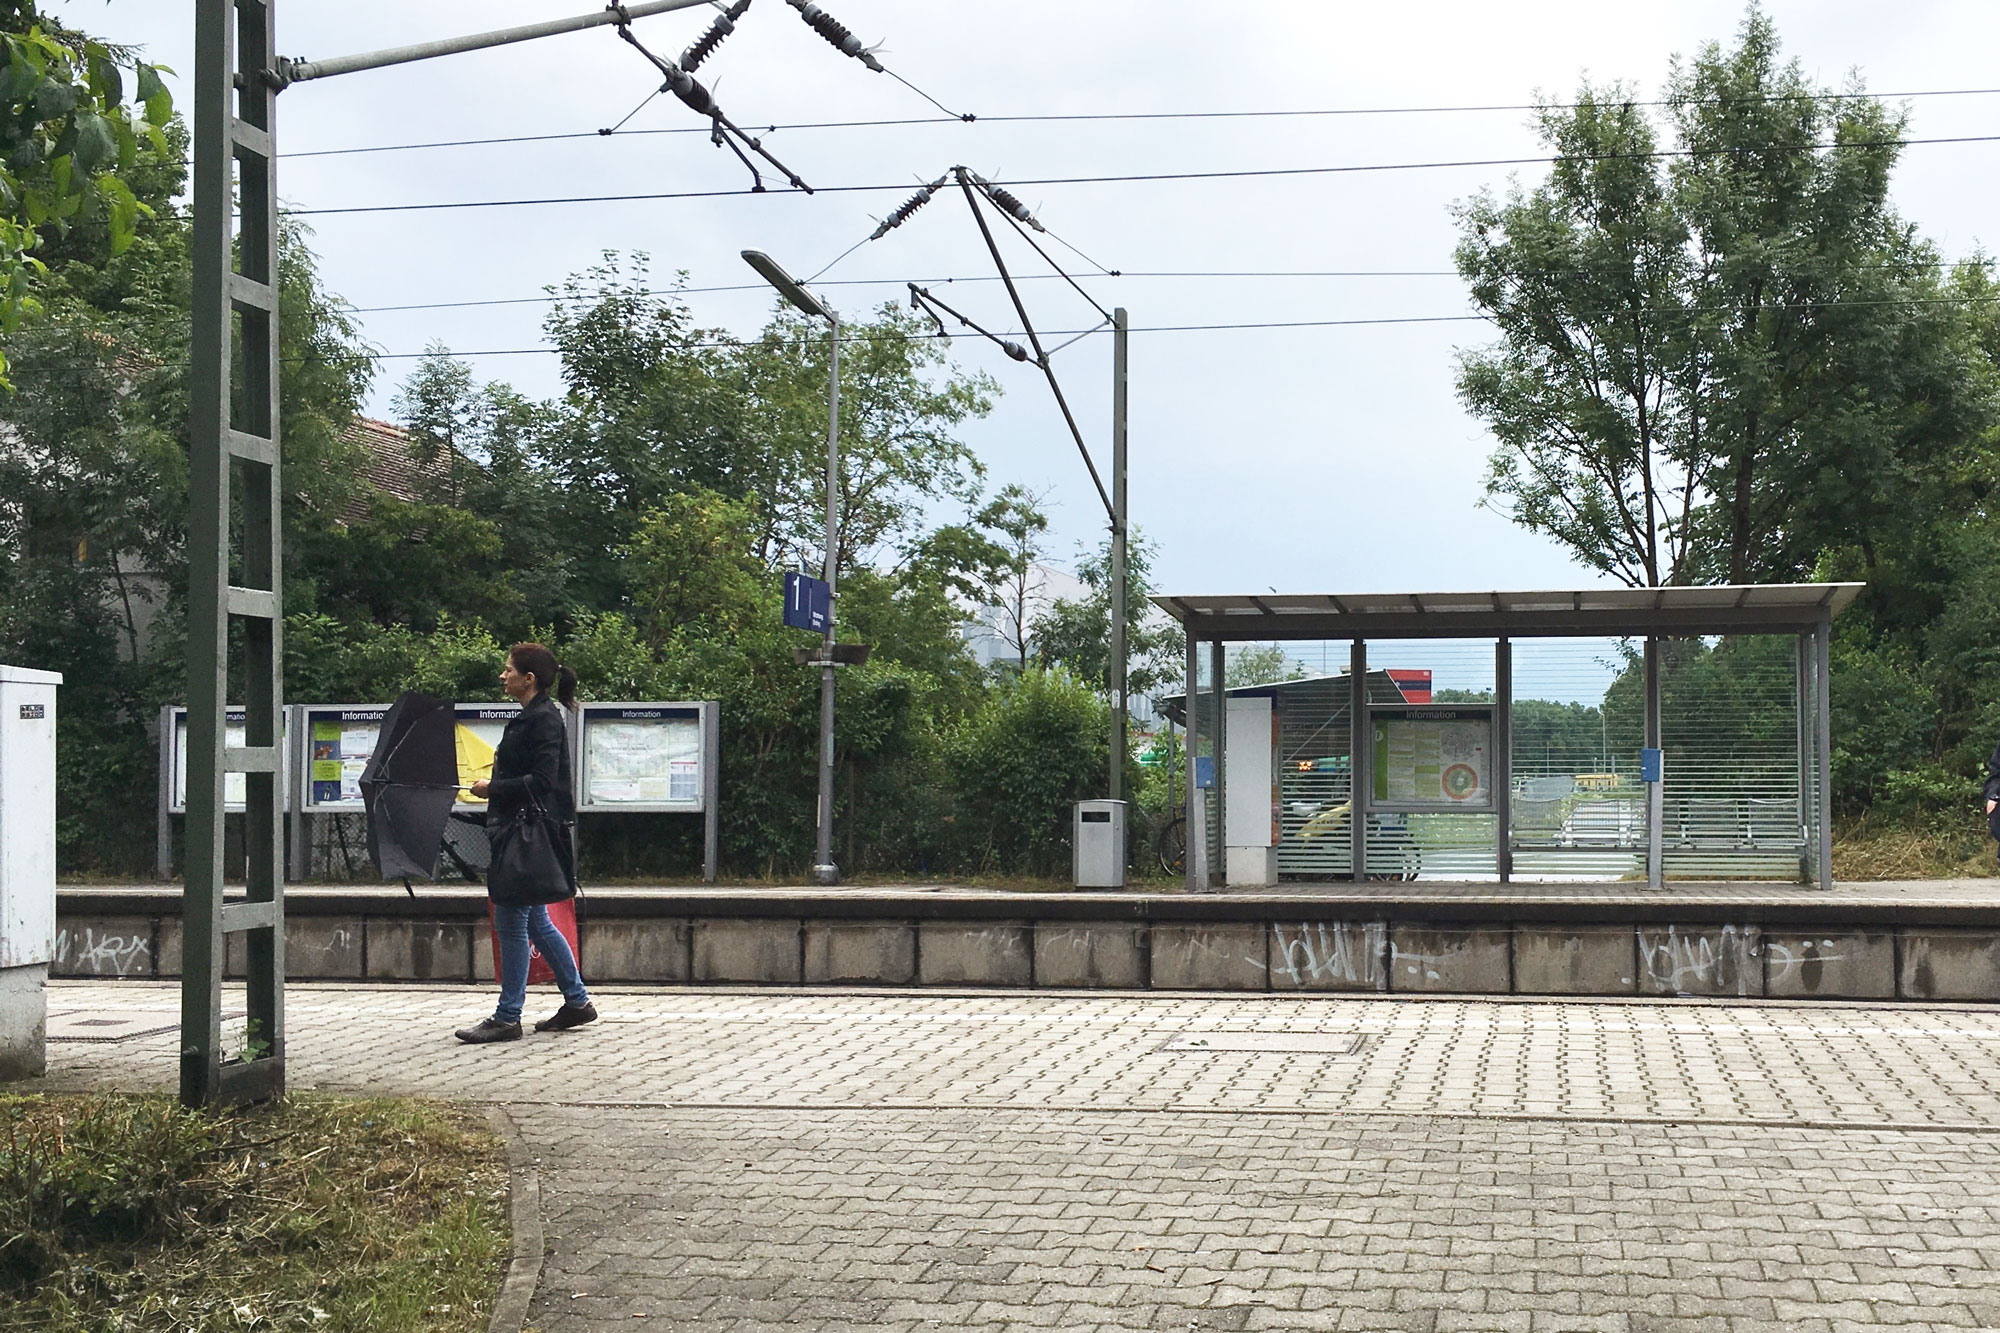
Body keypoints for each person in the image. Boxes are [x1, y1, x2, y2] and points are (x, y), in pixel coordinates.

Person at [454, 643, 598, 1043]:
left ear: (528, 678)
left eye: (508, 670)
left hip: (527, 833)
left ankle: (507, 1016)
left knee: (511, 920)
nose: (503, 676)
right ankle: (577, 1001)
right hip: (521, 830)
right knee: (537, 920)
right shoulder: (532, 718)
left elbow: (544, 780)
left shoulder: (543, 721)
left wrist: (493, 788)